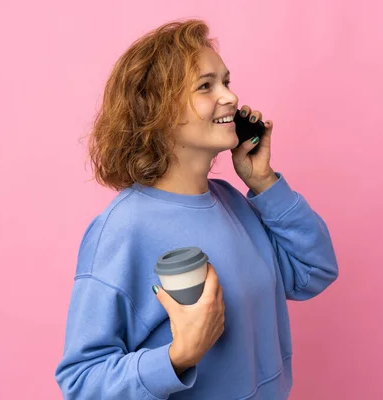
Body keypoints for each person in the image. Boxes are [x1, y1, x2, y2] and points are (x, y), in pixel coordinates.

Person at [54, 19, 339, 400]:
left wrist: (264, 182)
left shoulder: (234, 203)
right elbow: (82, 381)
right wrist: (178, 356)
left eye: (226, 81)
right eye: (206, 86)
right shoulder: (123, 229)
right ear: (157, 110)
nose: (230, 98)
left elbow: (314, 271)